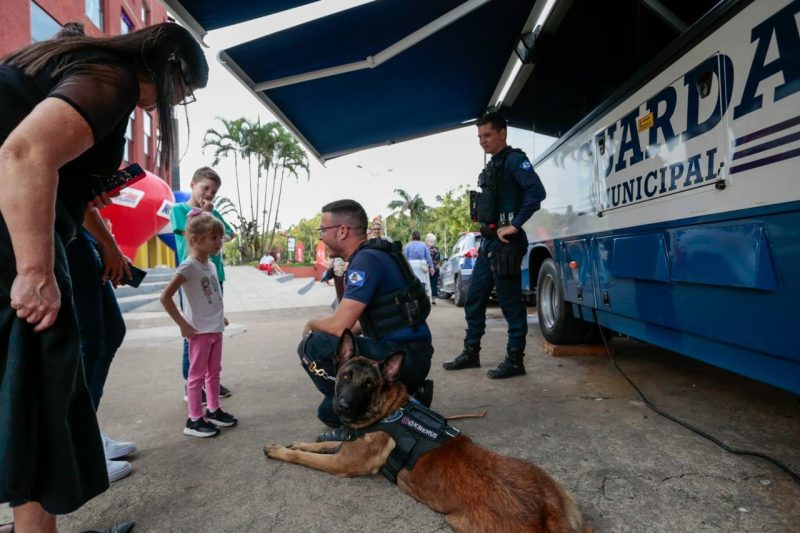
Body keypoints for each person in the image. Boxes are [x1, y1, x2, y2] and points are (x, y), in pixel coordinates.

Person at [0, 22, 207, 531]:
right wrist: (35, 271)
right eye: (184, 91)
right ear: (168, 68)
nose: (175, 102)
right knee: (41, 400)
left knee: (24, 399)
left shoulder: (67, 62)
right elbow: (25, 153)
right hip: (15, 243)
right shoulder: (110, 76)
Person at [56, 20, 136, 486]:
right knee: (91, 340)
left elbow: (77, 192)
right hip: (61, 244)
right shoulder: (63, 103)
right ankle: (77, 445)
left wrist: (106, 243)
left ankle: (89, 431)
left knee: (108, 332)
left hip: (76, 238)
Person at [298, 200, 434, 441]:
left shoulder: (365, 261)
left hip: (403, 358)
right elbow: (362, 324)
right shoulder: (378, 253)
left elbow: (340, 326)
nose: (321, 237)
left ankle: (360, 425)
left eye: (322, 230)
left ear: (342, 231)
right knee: (328, 412)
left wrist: (311, 323)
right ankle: (406, 401)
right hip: (413, 355)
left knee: (313, 345)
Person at [443, 112, 546, 379]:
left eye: (487, 135)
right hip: (489, 243)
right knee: (474, 298)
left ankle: (515, 360)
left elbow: (537, 193)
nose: (483, 141)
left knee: (510, 304)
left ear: (503, 133)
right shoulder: (493, 165)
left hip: (507, 243)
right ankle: (471, 352)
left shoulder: (515, 161)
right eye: (479, 136)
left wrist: (516, 224)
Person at [160, 210, 237, 438]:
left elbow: (211, 295)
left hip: (215, 328)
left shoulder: (211, 265)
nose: (219, 242)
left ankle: (213, 409)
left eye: (220, 237)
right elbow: (165, 297)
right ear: (195, 239)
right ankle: (194, 419)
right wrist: (183, 325)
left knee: (214, 372)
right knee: (196, 376)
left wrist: (218, 315)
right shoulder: (189, 266)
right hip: (199, 331)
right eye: (214, 237)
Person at [171, 167, 234, 401]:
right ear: (192, 185)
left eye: (213, 191)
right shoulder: (179, 210)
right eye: (204, 188)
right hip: (192, 279)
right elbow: (187, 232)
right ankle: (192, 383)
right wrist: (203, 214)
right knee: (195, 333)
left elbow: (229, 234)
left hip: (214, 276)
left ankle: (209, 381)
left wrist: (212, 215)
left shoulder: (213, 212)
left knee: (212, 332)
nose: (208, 194)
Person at [404, 230, 434, 303]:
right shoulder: (423, 245)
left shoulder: (408, 245)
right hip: (422, 266)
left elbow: (404, 257)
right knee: (422, 282)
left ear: (412, 237)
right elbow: (428, 257)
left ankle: (413, 300)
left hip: (411, 266)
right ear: (419, 236)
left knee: (412, 283)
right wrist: (431, 267)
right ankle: (422, 299)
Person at [426, 233, 441, 305]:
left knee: (427, 283)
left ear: (428, 240)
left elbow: (426, 259)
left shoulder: (426, 248)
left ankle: (428, 297)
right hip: (436, 268)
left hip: (427, 268)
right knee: (434, 283)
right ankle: (433, 299)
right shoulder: (437, 248)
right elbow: (438, 259)